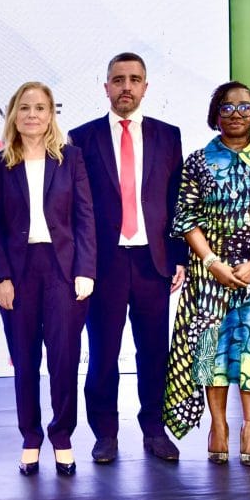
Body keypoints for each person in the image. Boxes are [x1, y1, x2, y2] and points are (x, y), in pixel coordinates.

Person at [162, 81, 250, 465]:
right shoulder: (197, 162)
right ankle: (219, 425)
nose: (236, 113)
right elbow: (186, 218)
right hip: (211, 275)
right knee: (213, 352)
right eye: (227, 107)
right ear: (215, 115)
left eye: (244, 106)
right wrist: (212, 262)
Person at [69, 52, 186, 463]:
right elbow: (76, 208)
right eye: (118, 79)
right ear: (106, 87)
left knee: (154, 352)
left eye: (134, 79)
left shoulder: (167, 136)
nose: (126, 87)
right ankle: (105, 433)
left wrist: (179, 257)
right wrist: (81, 264)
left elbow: (176, 200)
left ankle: (155, 430)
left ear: (145, 87)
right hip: (104, 264)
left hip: (153, 262)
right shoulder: (81, 138)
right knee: (103, 353)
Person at [0, 81, 95, 476]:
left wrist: (86, 270)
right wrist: (0, 277)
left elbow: (85, 218)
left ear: (51, 115)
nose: (32, 114)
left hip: (63, 269)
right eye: (25, 107)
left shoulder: (71, 159)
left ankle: (62, 436)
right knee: (25, 360)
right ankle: (30, 437)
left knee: (64, 359)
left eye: (40, 108)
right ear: (14, 115)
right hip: (19, 272)